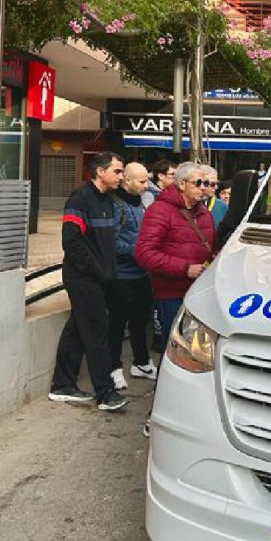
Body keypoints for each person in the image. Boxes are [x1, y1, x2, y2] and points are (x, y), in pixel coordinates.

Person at [48, 151, 128, 412]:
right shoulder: (80, 199)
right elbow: (71, 242)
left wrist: (109, 272)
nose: (121, 176)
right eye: (116, 171)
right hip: (83, 278)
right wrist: (98, 271)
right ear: (99, 172)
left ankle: (62, 385)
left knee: (77, 330)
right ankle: (105, 393)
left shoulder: (108, 201)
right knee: (96, 332)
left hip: (100, 277)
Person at [135, 161, 217, 358]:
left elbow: (209, 246)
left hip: (200, 292)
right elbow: (144, 253)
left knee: (198, 352)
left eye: (207, 183)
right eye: (198, 183)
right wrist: (185, 268)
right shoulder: (160, 210)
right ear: (181, 184)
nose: (204, 188)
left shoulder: (204, 212)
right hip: (171, 294)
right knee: (175, 350)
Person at [107, 162, 157, 390]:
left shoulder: (143, 204)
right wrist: (141, 251)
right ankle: (113, 368)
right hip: (121, 276)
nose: (147, 185)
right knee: (117, 324)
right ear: (127, 180)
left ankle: (141, 362)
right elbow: (112, 242)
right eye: (142, 181)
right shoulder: (115, 205)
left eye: (147, 180)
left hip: (141, 274)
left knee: (140, 321)